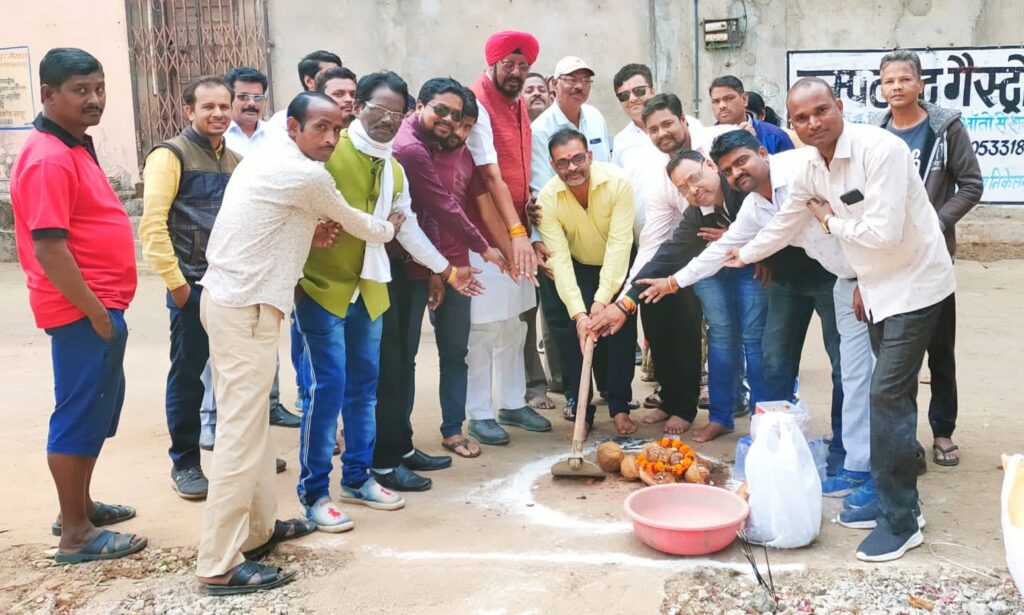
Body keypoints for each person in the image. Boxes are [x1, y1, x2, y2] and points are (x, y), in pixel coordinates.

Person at [726, 77, 955, 562]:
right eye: (801, 118)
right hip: (873, 288)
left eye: (820, 112)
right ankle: (893, 479)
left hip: (916, 281)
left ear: (840, 107)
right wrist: (745, 253)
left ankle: (902, 517)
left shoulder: (881, 150)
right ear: (791, 124)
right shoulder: (810, 164)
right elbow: (787, 219)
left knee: (886, 394)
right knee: (890, 393)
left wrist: (830, 221)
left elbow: (886, 233)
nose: (812, 124)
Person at [196, 92, 398, 594]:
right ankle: (217, 565)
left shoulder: (269, 156)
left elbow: (268, 225)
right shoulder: (308, 175)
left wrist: (307, 235)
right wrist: (390, 224)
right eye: (320, 128)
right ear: (292, 126)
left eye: (337, 128)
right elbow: (361, 225)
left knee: (252, 430)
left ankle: (260, 531)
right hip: (245, 309)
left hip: (238, 302)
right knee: (240, 439)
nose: (330, 139)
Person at [293, 71, 480, 530]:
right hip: (322, 288)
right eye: (378, 110)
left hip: (369, 288)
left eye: (396, 114)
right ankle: (314, 493)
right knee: (328, 390)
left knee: (365, 387)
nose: (386, 121)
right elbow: (313, 216)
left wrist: (446, 269)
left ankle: (358, 477)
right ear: (356, 106)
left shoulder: (393, 166)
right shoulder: (329, 153)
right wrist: (383, 229)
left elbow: (409, 226)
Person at [638, 129, 870, 496]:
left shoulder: (799, 170)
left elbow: (781, 230)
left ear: (763, 152)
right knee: (774, 361)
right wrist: (673, 282)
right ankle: (776, 450)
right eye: (730, 170)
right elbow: (720, 250)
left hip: (839, 275)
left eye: (742, 162)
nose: (736, 174)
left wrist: (864, 276)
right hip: (788, 281)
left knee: (847, 366)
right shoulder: (751, 205)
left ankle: (846, 453)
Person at [10, 47, 147, 564]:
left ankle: (82, 506)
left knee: (94, 411)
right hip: (80, 310)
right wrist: (93, 312)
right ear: (48, 95)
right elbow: (49, 246)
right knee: (78, 412)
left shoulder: (72, 145)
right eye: (80, 91)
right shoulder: (47, 157)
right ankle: (75, 534)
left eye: (99, 88)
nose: (94, 100)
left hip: (98, 306)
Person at [380, 79, 506, 484]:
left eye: (462, 121)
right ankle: (388, 455)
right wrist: (486, 248)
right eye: (444, 114)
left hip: (434, 264)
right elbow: (441, 206)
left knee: (443, 352)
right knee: (396, 363)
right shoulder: (410, 148)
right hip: (400, 267)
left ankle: (416, 443)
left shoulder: (444, 148)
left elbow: (428, 214)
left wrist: (442, 267)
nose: (453, 125)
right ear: (419, 106)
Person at [591, 94, 732, 436]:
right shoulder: (661, 174)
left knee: (711, 330)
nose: (662, 133)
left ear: (684, 119)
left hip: (725, 256)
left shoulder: (714, 146)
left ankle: (688, 406)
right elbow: (655, 242)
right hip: (682, 251)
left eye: (667, 123)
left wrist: (738, 236)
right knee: (655, 308)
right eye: (653, 129)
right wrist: (628, 296)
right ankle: (669, 399)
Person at [872, 49, 983, 468]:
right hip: (885, 264)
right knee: (894, 362)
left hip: (932, 262)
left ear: (920, 85)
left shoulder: (944, 128)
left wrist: (935, 223)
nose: (896, 87)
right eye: (888, 81)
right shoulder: (874, 132)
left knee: (939, 353)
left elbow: (971, 185)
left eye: (904, 79)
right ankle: (905, 441)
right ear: (880, 88)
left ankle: (943, 431)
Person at [139, 75, 240, 500]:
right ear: (189, 111)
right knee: (188, 376)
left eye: (223, 106)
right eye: (207, 107)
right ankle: (185, 462)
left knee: (237, 376)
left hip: (231, 287)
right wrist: (178, 286)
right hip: (192, 286)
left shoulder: (235, 161)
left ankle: (238, 454)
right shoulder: (170, 155)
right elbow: (152, 226)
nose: (217, 114)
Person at [200, 66, 300, 453]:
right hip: (225, 260)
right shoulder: (217, 141)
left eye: (258, 97)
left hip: (266, 260)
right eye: (242, 97)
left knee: (263, 341)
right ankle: (211, 422)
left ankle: (270, 407)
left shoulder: (272, 139)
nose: (250, 104)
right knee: (221, 354)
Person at [536, 128, 637, 437]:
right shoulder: (547, 198)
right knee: (571, 336)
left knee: (619, 333)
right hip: (575, 267)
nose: (573, 168)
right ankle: (582, 409)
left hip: (615, 265)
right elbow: (560, 260)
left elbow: (620, 245)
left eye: (578, 158)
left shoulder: (619, 183)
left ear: (590, 156)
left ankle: (619, 406)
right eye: (563, 162)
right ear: (553, 166)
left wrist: (603, 299)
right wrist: (580, 314)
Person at [465, 30, 540, 287]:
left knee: (518, 321)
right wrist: (516, 232)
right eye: (508, 65)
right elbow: (489, 175)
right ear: (492, 63)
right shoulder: (476, 101)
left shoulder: (517, 99)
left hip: (518, 229)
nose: (516, 73)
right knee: (488, 324)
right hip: (486, 236)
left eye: (523, 66)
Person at [709, 76, 794, 154]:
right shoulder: (705, 140)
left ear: (744, 99)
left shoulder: (775, 136)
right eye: (716, 101)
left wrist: (754, 143)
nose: (722, 106)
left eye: (729, 98)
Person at [268, 50, 342, 131]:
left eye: (340, 74)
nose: (337, 80)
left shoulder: (350, 115)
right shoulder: (282, 121)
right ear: (309, 81)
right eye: (329, 75)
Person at [223, 66, 271, 154]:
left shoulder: (276, 134)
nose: (252, 103)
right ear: (228, 99)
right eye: (244, 97)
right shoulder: (219, 136)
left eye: (257, 97)